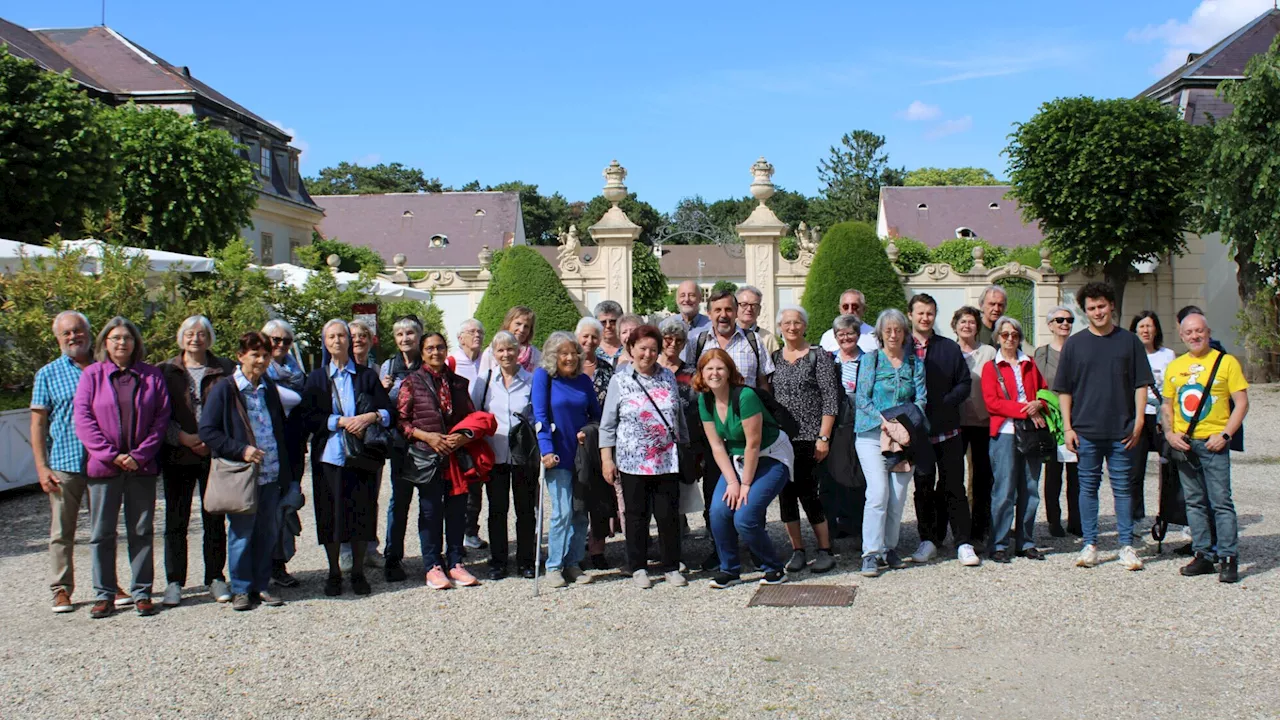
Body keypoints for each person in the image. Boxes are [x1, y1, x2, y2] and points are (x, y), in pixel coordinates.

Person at [73, 317, 171, 618]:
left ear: (135, 343)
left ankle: (142, 592)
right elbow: (84, 419)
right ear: (105, 342)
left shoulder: (152, 376)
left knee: (141, 530)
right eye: (115, 338)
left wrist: (138, 455)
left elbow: (160, 419)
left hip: (141, 467)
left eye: (127, 338)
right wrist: (110, 454)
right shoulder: (92, 375)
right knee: (102, 532)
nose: (121, 343)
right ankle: (104, 594)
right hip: (104, 469)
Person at [32, 312, 129, 613]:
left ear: (89, 333)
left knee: (104, 530)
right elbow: (37, 423)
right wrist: (41, 466)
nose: (73, 337)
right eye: (66, 334)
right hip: (65, 463)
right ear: (58, 339)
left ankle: (108, 585)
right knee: (63, 531)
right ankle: (61, 589)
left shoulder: (106, 368)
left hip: (103, 463)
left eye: (78, 331)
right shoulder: (47, 374)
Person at [1053, 282, 1152, 571]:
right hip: (1086, 430)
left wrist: (1139, 420)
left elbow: (1140, 384)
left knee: (1123, 489)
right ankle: (1090, 544)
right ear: (1085, 312)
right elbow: (1064, 390)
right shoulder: (1075, 344)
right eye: (1091, 308)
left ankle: (1126, 545)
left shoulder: (1129, 342)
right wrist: (1068, 428)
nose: (1097, 312)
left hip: (1122, 430)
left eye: (1101, 306)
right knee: (1087, 488)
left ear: (1112, 306)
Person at [199, 332, 293, 610]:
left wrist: (287, 473)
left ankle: (261, 585)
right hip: (241, 474)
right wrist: (241, 450)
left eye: (265, 355)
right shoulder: (225, 389)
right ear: (241, 356)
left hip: (269, 473)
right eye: (255, 354)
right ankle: (241, 588)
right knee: (241, 533)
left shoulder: (268, 388)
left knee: (266, 532)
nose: (261, 360)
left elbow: (279, 430)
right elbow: (208, 430)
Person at [301, 319, 394, 597]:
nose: (338, 341)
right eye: (332, 337)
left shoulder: (365, 376)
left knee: (360, 513)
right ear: (325, 342)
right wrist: (339, 421)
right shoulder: (317, 378)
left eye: (342, 335)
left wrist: (370, 416)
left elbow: (389, 412)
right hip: (329, 456)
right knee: (330, 514)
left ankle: (357, 572)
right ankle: (333, 572)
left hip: (361, 455)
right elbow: (308, 417)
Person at [1162, 312, 1249, 583]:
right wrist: (1169, 433)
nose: (1194, 336)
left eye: (1199, 331)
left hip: (1214, 442)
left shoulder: (1226, 363)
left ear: (1208, 332)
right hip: (1185, 443)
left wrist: (1225, 434)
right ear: (1182, 335)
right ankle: (1203, 555)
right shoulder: (1175, 366)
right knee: (1194, 502)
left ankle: (1227, 557)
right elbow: (1167, 404)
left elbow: (1242, 402)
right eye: (1189, 333)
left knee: (1221, 502)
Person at [600, 324, 689, 589]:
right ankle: (638, 566)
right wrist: (607, 458)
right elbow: (608, 424)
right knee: (636, 515)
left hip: (666, 459)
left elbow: (678, 416)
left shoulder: (668, 377)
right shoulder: (620, 380)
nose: (648, 355)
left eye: (653, 349)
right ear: (630, 349)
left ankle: (671, 565)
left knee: (668, 515)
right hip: (632, 460)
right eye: (642, 349)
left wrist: (684, 446)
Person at [696, 349, 792, 588]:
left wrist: (745, 485)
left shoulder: (746, 396)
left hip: (770, 456)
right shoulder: (705, 400)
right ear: (702, 373)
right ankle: (729, 570)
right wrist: (732, 482)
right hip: (738, 459)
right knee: (718, 511)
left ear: (729, 372)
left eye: (720, 368)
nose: (714, 373)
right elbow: (717, 445)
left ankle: (773, 568)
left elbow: (753, 443)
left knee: (745, 517)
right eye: (709, 368)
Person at [158, 315, 235, 607]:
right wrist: (181, 437)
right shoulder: (166, 370)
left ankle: (215, 576)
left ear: (209, 338)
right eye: (189, 333)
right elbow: (158, 412)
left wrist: (212, 440)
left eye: (201, 333)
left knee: (214, 517)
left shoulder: (225, 368)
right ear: (181, 337)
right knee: (176, 520)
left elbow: (232, 409)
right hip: (177, 453)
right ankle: (174, 581)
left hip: (213, 454)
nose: (195, 338)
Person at [397, 332, 482, 590]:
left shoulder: (458, 383)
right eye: (430, 349)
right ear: (422, 353)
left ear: (447, 350)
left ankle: (455, 561)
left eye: (440, 347)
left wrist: (462, 438)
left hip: (455, 456)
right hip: (427, 457)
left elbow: (471, 417)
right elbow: (401, 421)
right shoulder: (412, 382)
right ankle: (432, 565)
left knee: (457, 511)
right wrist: (427, 436)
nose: (436, 352)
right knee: (431, 511)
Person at [904, 294, 980, 567]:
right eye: (921, 313)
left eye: (930, 314)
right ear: (910, 314)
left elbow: (963, 383)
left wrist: (944, 404)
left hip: (948, 431)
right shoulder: (902, 347)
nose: (925, 318)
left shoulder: (948, 348)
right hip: (917, 434)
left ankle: (963, 542)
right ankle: (928, 540)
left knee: (953, 487)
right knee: (923, 487)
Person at [854, 309, 926, 578]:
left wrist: (904, 426)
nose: (893, 335)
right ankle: (870, 553)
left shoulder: (914, 364)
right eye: (888, 330)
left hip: (904, 440)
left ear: (905, 333)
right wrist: (886, 423)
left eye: (898, 330)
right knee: (878, 492)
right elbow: (862, 398)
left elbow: (921, 399)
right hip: (872, 435)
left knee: (897, 497)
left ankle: (888, 548)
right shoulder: (871, 361)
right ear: (880, 334)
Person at [769, 306, 837, 574]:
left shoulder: (818, 356)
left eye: (797, 323)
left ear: (805, 326)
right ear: (780, 327)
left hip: (810, 438)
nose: (792, 327)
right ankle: (797, 549)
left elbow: (830, 398)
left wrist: (824, 436)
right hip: (781, 439)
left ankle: (825, 549)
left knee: (809, 494)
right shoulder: (774, 358)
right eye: (787, 323)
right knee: (786, 496)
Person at [533, 332, 602, 588]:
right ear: (553, 356)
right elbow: (539, 414)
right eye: (564, 353)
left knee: (580, 511)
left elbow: (597, 415)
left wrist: (590, 431)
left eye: (574, 352)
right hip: (557, 454)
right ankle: (553, 566)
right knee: (561, 512)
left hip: (581, 454)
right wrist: (545, 449)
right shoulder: (544, 377)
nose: (570, 357)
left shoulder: (584, 381)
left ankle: (573, 562)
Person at [981, 317, 1048, 563]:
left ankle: (1026, 541)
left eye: (1015, 334)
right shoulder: (991, 367)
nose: (1010, 338)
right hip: (1005, 433)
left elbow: (1044, 392)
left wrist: (1039, 404)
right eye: (1005, 334)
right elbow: (992, 402)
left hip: (1030, 432)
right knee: (1004, 490)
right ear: (998, 337)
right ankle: (998, 543)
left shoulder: (1029, 363)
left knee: (1030, 489)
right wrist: (1025, 408)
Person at [470, 331, 537, 580]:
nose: (506, 354)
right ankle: (498, 561)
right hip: (494, 455)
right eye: (500, 350)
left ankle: (526, 561)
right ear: (494, 354)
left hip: (522, 456)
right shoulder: (485, 380)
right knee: (497, 510)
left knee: (525, 510)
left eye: (510, 349)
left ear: (519, 351)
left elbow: (537, 415)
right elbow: (476, 414)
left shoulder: (531, 380)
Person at [378, 316, 423, 583]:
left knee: (429, 503)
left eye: (410, 333)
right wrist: (382, 390)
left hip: (424, 441)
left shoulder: (427, 361)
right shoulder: (388, 366)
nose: (405, 338)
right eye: (400, 334)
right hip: (399, 443)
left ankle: (432, 556)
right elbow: (380, 405)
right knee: (399, 501)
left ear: (419, 336)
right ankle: (393, 557)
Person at [262, 319, 306, 588]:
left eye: (285, 341)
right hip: (265, 449)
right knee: (263, 508)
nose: (280, 345)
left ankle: (279, 564)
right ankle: (260, 567)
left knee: (285, 507)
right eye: (274, 340)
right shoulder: (257, 371)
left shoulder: (296, 371)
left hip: (293, 446)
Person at [342, 318, 385, 571]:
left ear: (370, 341)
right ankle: (347, 549)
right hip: (345, 440)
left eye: (363, 336)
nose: (358, 339)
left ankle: (370, 546)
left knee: (371, 496)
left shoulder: (378, 370)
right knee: (345, 496)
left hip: (371, 442)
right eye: (353, 335)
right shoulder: (335, 369)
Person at [1034, 306, 1080, 538]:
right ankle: (1054, 520)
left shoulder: (1079, 350)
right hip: (1053, 421)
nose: (1065, 324)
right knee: (1053, 473)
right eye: (1059, 320)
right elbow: (1038, 387)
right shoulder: (1042, 354)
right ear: (1050, 324)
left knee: (1077, 473)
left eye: (1069, 320)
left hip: (1077, 418)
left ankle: (1077, 520)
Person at [577, 316, 618, 569]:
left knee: (603, 495)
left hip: (603, 440)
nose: (590, 341)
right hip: (575, 441)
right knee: (579, 495)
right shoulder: (567, 367)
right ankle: (576, 550)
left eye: (595, 336)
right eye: (586, 336)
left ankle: (598, 549)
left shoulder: (607, 368)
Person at [954, 306, 998, 547]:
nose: (967, 326)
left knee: (982, 477)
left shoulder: (989, 352)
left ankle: (980, 530)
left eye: (971, 322)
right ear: (955, 325)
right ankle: (959, 529)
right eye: (963, 321)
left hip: (983, 423)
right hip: (956, 423)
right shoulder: (950, 351)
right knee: (954, 478)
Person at [1130, 311, 1177, 529]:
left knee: (1169, 468)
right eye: (1141, 327)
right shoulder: (1129, 354)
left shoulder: (1168, 355)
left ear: (1156, 329)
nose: (1145, 331)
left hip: (1162, 417)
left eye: (1149, 326)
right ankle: (1137, 517)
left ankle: (1169, 514)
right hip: (1138, 415)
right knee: (1135, 469)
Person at [826, 313, 868, 544]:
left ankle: (858, 524)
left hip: (860, 422)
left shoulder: (868, 360)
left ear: (858, 335)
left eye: (850, 333)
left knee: (859, 473)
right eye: (840, 334)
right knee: (835, 473)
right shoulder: (829, 360)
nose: (845, 337)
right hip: (836, 423)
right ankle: (836, 524)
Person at [686, 288, 774, 388]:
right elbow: (690, 381)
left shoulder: (754, 340)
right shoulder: (697, 343)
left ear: (736, 312)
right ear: (709, 314)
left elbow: (764, 383)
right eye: (718, 310)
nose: (723, 315)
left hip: (746, 403)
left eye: (728, 310)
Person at [477, 305, 541, 375]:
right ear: (508, 323)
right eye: (518, 324)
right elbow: (482, 381)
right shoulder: (491, 352)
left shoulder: (535, 355)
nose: (522, 330)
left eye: (526, 326)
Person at [819, 289, 879, 354]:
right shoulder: (827, 336)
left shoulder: (875, 336)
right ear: (840, 309)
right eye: (846, 307)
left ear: (863, 309)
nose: (850, 311)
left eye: (855, 306)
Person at [736, 285, 780, 357]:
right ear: (735, 307)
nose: (749, 309)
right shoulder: (727, 335)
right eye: (744, 304)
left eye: (754, 305)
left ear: (759, 310)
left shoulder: (768, 338)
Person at [449, 318, 485, 384]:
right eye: (472, 332)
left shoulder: (488, 361)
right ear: (461, 339)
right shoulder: (450, 363)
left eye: (480, 332)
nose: (477, 335)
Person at [593, 300, 625, 367]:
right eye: (603, 322)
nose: (608, 326)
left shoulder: (630, 348)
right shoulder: (591, 350)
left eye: (612, 321)